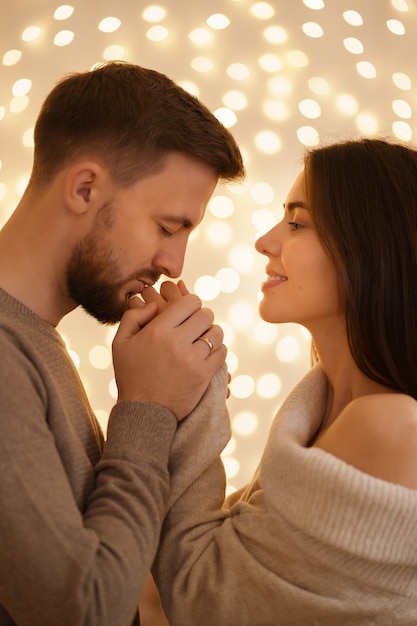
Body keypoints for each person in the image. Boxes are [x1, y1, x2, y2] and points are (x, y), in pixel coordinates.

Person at [0, 61, 244, 626]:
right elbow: (84, 610)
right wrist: (148, 408)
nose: (173, 263)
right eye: (167, 227)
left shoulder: (32, 339)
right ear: (84, 188)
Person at [149, 138, 417, 625]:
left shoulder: (391, 424)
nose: (266, 241)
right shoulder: (324, 409)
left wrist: (188, 394)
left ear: (370, 249)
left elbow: (203, 597)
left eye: (297, 223)